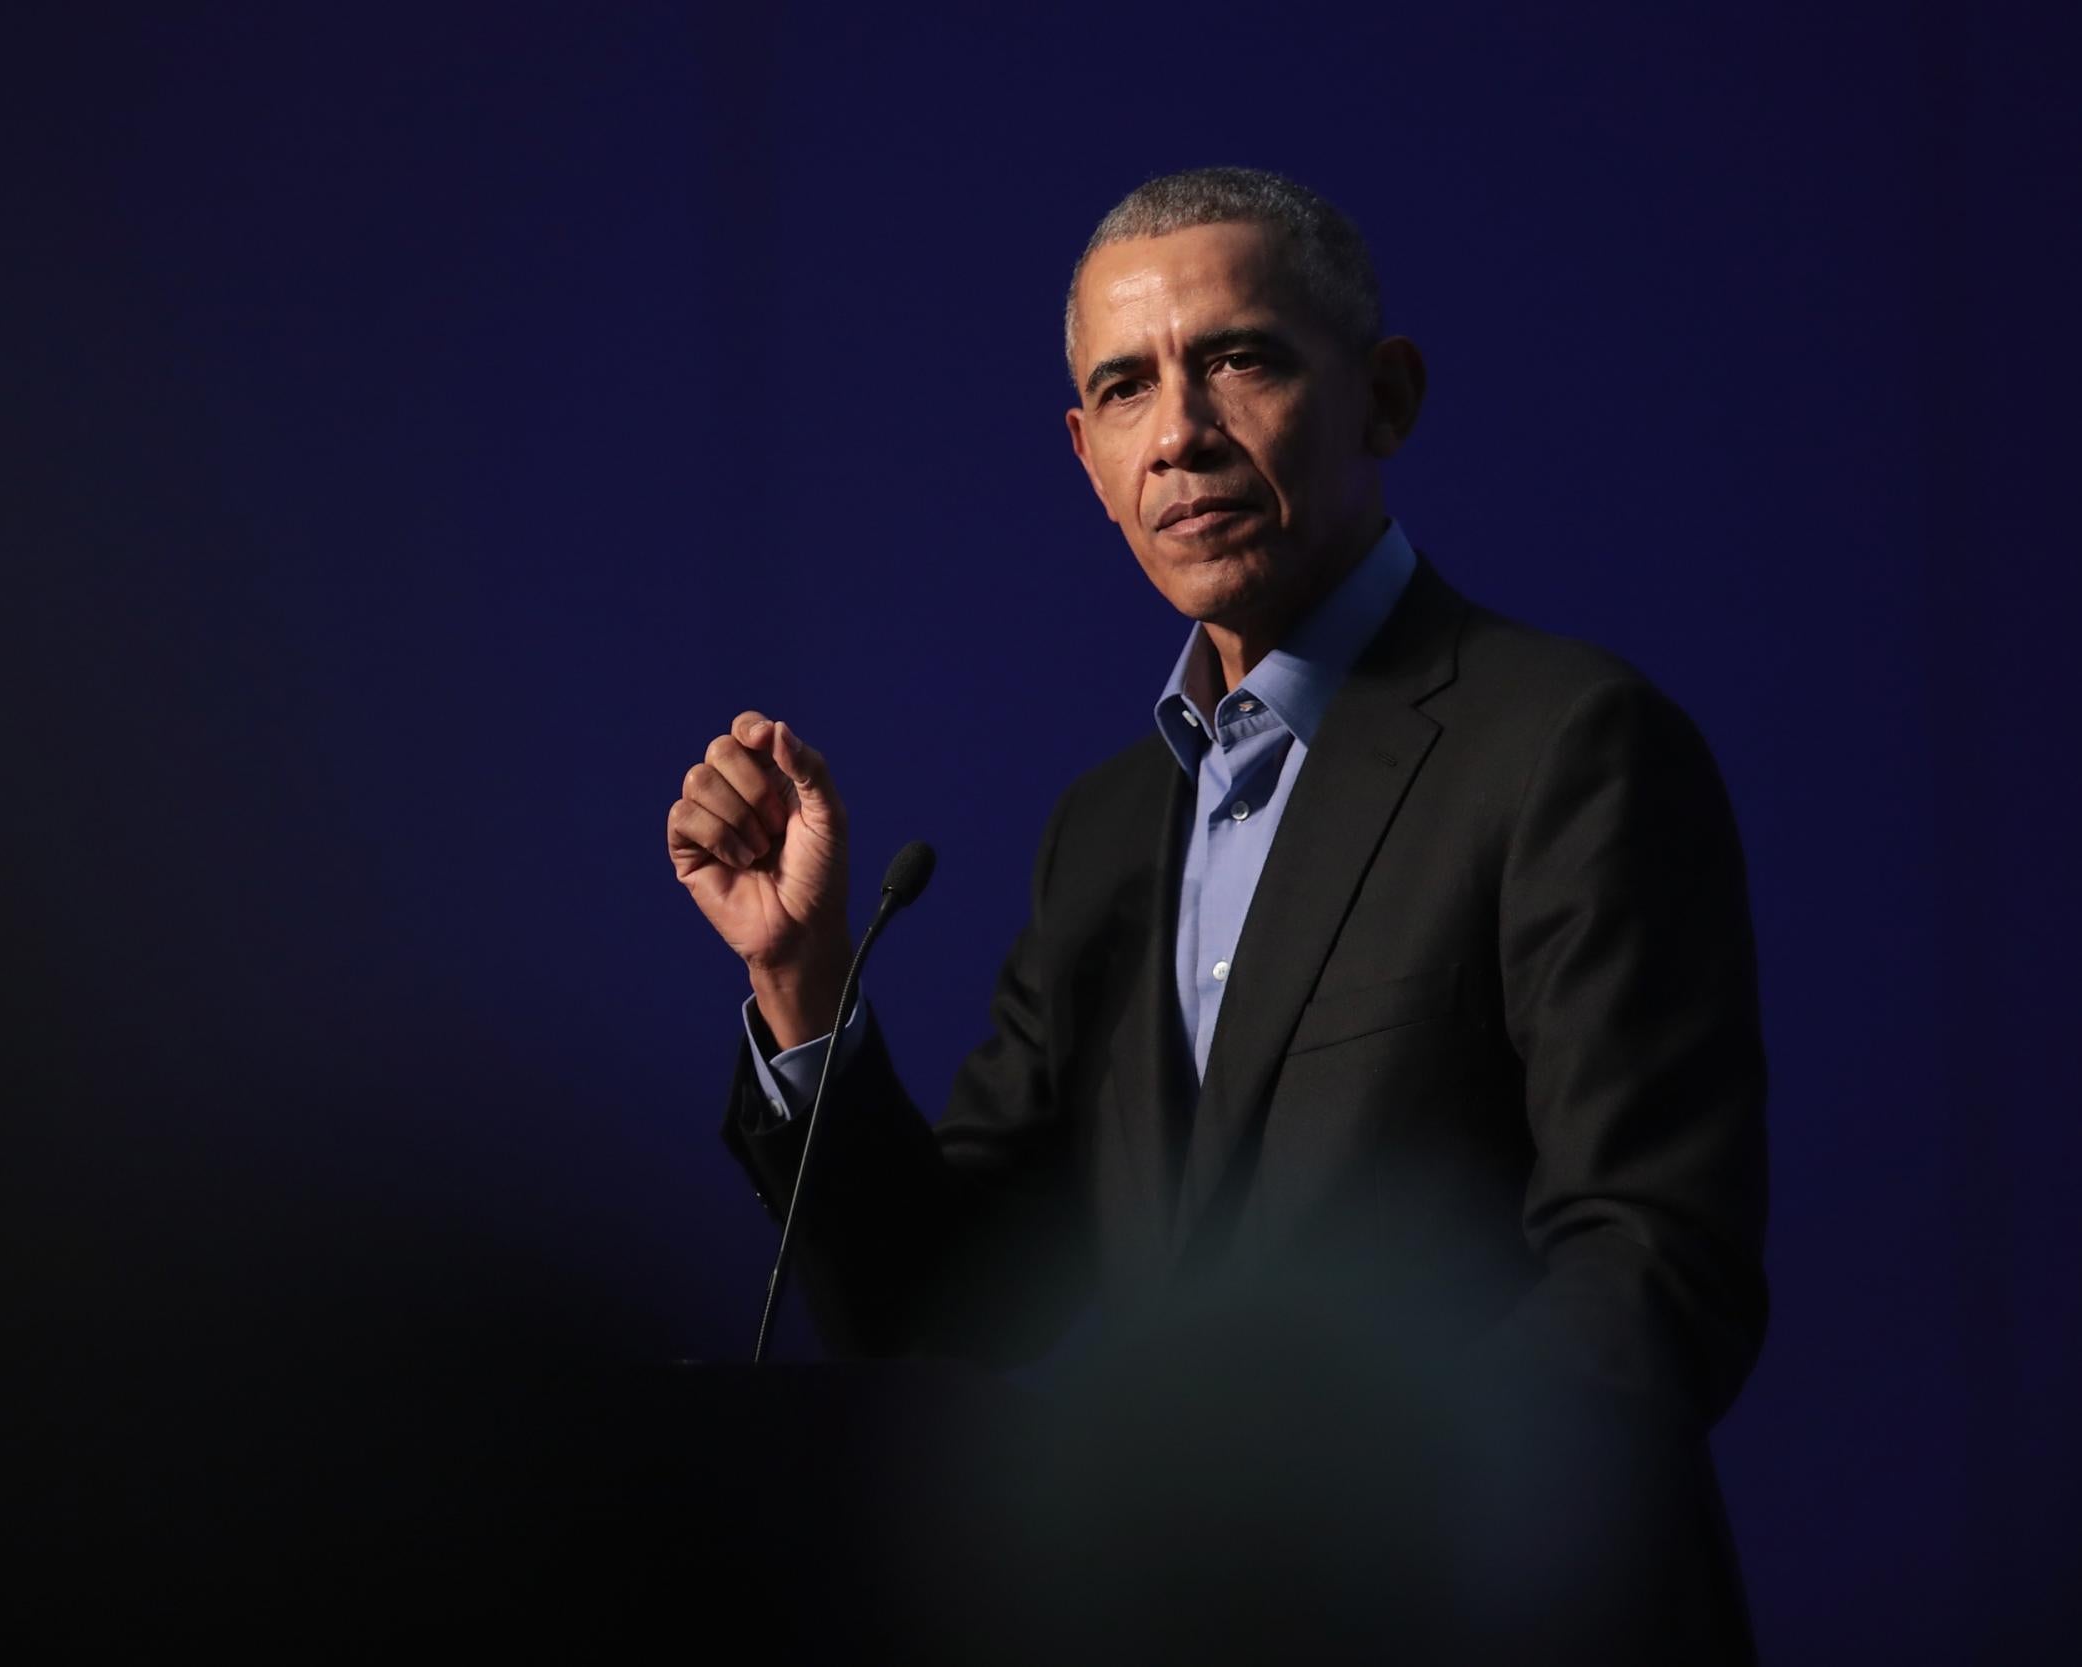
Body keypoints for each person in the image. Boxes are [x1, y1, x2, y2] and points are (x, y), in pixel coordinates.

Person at [665, 167, 1768, 1660]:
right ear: (1086, 454)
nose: (1179, 430)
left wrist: (1308, 1542)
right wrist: (799, 983)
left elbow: (1652, 1282)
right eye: (1125, 388)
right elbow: (941, 1308)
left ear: (1385, 397)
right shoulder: (1106, 831)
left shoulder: (1568, 746)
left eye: (1238, 359)